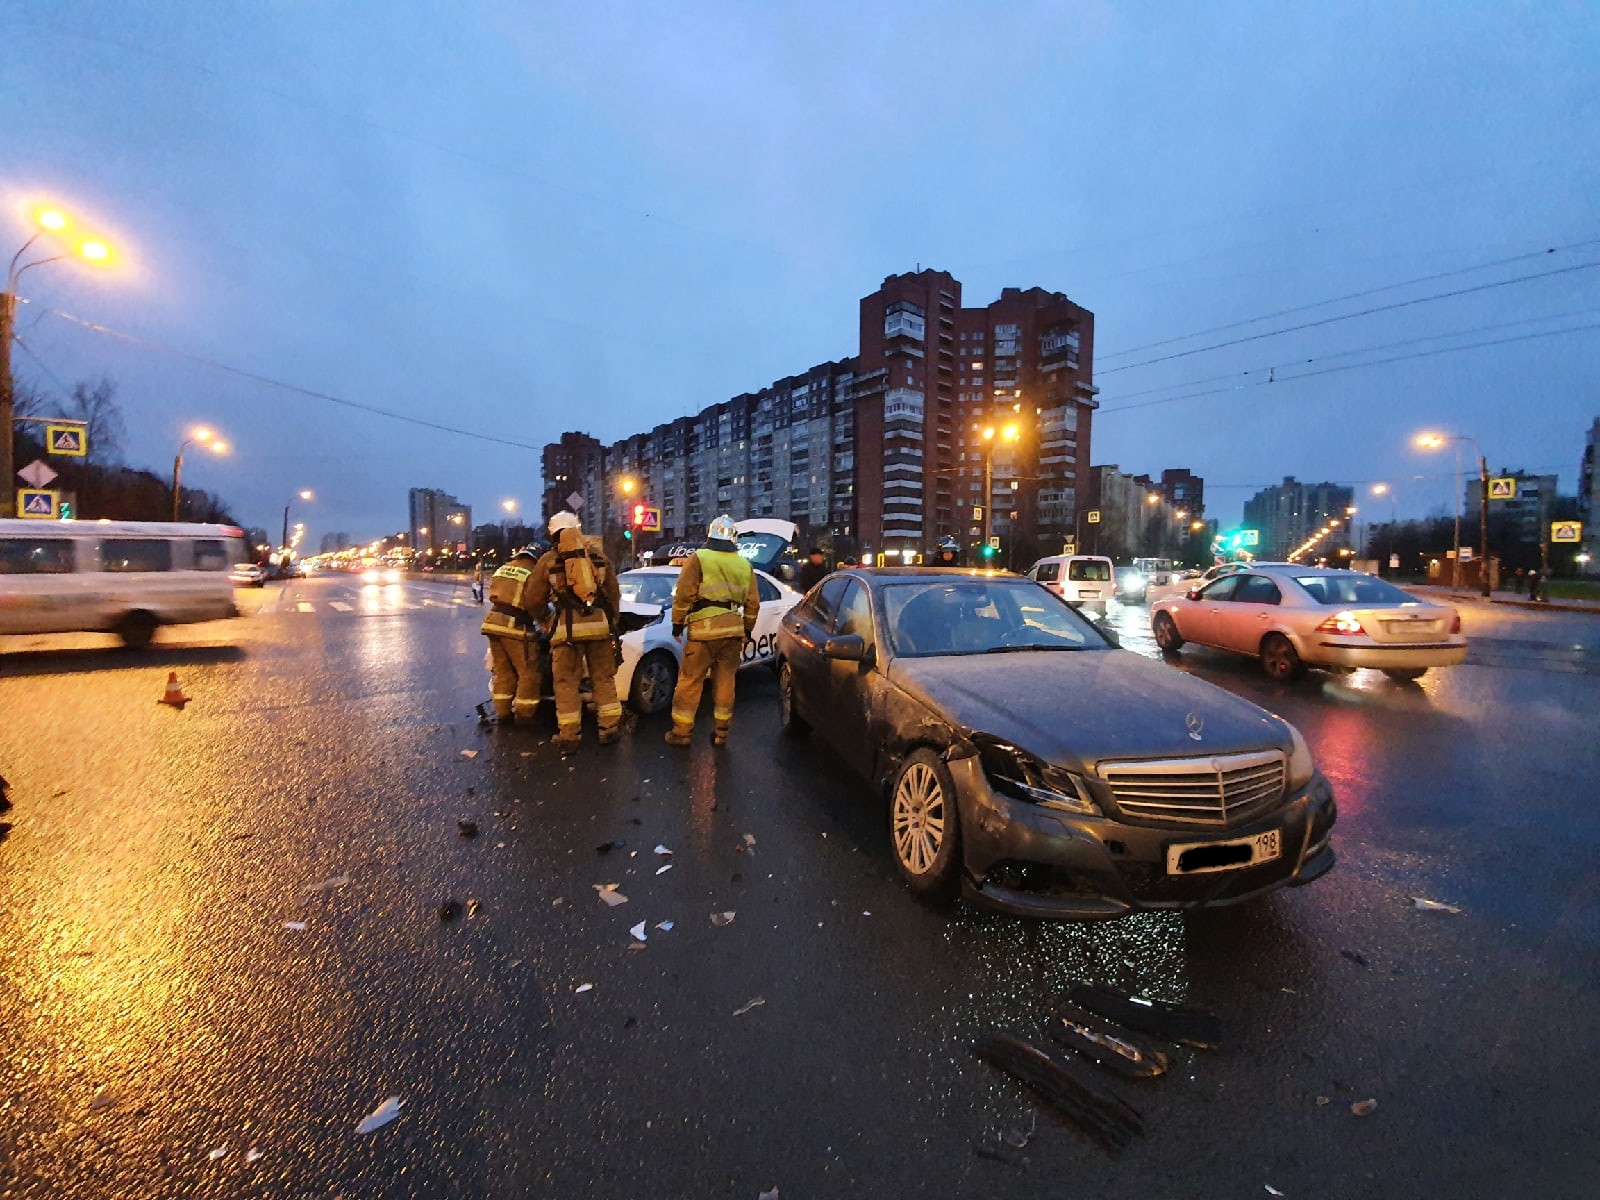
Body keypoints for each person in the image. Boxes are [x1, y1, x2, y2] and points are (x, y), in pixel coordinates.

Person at [527, 512, 623, 751]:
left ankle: (569, 736)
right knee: (603, 678)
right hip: (599, 628)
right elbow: (613, 594)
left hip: (566, 632)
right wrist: (611, 621)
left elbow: (532, 599)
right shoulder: (599, 557)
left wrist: (546, 619)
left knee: (566, 681)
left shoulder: (548, 560)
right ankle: (609, 729)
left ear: (554, 532)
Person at [666, 514, 760, 747]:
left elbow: (683, 594)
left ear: (711, 534)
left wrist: (677, 624)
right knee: (726, 682)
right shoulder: (744, 565)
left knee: (690, 682)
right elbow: (752, 604)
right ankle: (721, 733)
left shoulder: (699, 558)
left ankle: (681, 733)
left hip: (703, 633)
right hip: (732, 633)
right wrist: (747, 629)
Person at [478, 546, 546, 726]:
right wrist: (547, 619)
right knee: (528, 671)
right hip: (515, 627)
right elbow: (536, 602)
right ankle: (524, 714)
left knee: (503, 671)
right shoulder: (533, 572)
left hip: (492, 623)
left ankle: (503, 713)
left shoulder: (504, 568)